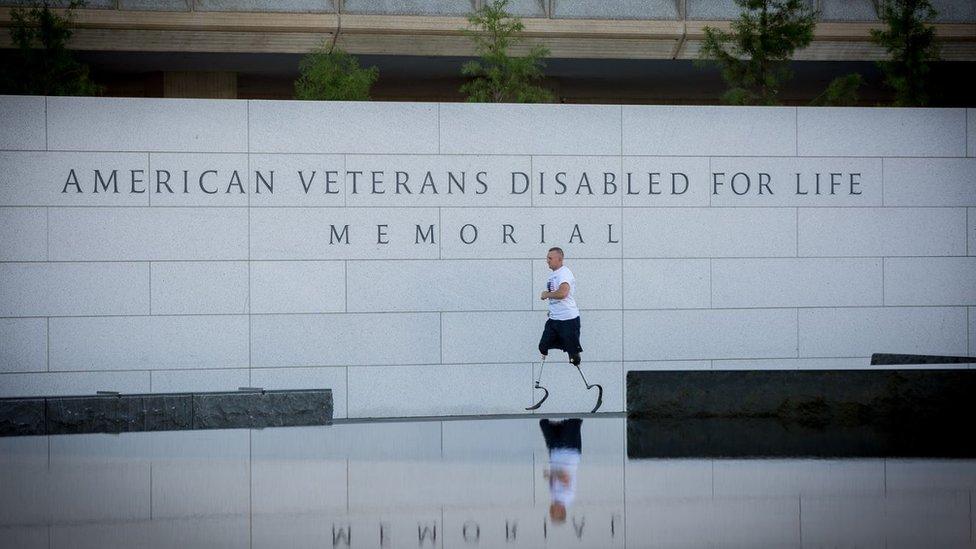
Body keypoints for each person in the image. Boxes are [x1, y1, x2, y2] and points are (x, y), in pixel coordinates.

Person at [538, 247, 582, 366]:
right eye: (547, 258)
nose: (547, 260)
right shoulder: (553, 275)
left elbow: (563, 293)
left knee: (573, 356)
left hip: (568, 319)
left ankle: (573, 354)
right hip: (555, 318)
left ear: (559, 259)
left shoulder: (564, 273)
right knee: (543, 346)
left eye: (550, 258)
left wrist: (546, 294)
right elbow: (557, 297)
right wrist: (552, 308)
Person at [540, 418, 583, 525]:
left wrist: (549, 476)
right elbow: (565, 477)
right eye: (554, 513)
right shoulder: (567, 498)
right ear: (561, 511)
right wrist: (551, 474)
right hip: (569, 450)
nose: (552, 511)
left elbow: (554, 478)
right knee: (572, 419)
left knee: (543, 423)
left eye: (552, 513)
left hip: (555, 451)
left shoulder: (554, 497)